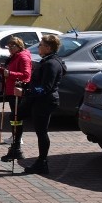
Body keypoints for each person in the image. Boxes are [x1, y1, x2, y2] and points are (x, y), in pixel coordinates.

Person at [14, 34, 66, 175]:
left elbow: (45, 88)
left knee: (41, 132)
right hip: (42, 100)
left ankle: (42, 162)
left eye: (41, 45)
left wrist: (24, 92)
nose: (38, 47)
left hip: (45, 102)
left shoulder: (51, 63)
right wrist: (24, 85)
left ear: (48, 48)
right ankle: (16, 148)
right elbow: (38, 82)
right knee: (22, 120)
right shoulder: (49, 61)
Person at [0, 38, 33, 160]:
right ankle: (15, 142)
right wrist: (1, 70)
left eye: (11, 46)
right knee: (14, 118)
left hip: (17, 92)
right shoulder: (14, 56)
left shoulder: (23, 57)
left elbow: (26, 75)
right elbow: (10, 71)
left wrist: (10, 74)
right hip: (10, 91)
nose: (9, 49)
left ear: (19, 46)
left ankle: (17, 144)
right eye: (8, 47)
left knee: (16, 117)